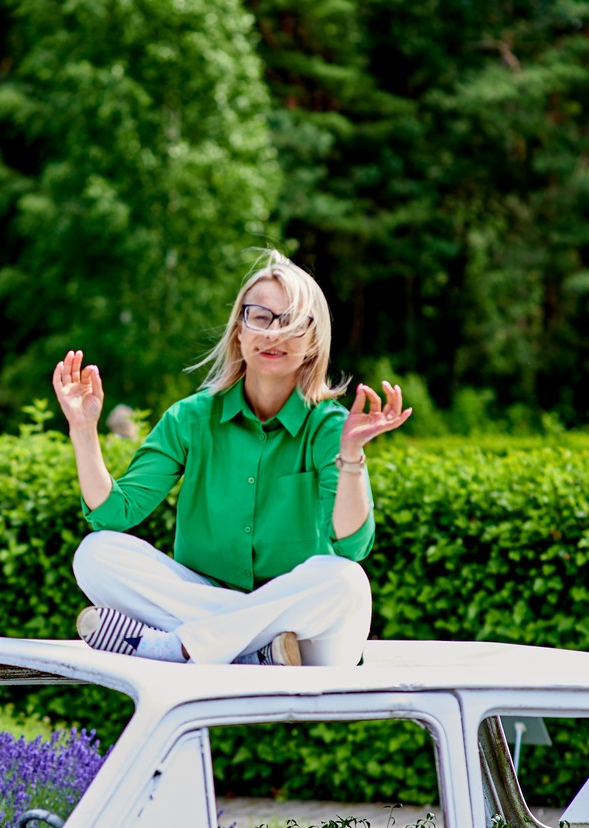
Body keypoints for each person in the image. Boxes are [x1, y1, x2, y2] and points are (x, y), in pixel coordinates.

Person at [54, 250, 410, 667]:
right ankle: (248, 652)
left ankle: (180, 648)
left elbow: (353, 545)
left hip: (306, 637)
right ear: (239, 331)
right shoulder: (190, 418)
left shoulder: (330, 427)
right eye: (260, 317)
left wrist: (350, 455)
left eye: (292, 322)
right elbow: (115, 514)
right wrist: (82, 428)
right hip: (254, 629)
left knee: (346, 582)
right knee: (95, 554)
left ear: (313, 341)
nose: (273, 334)